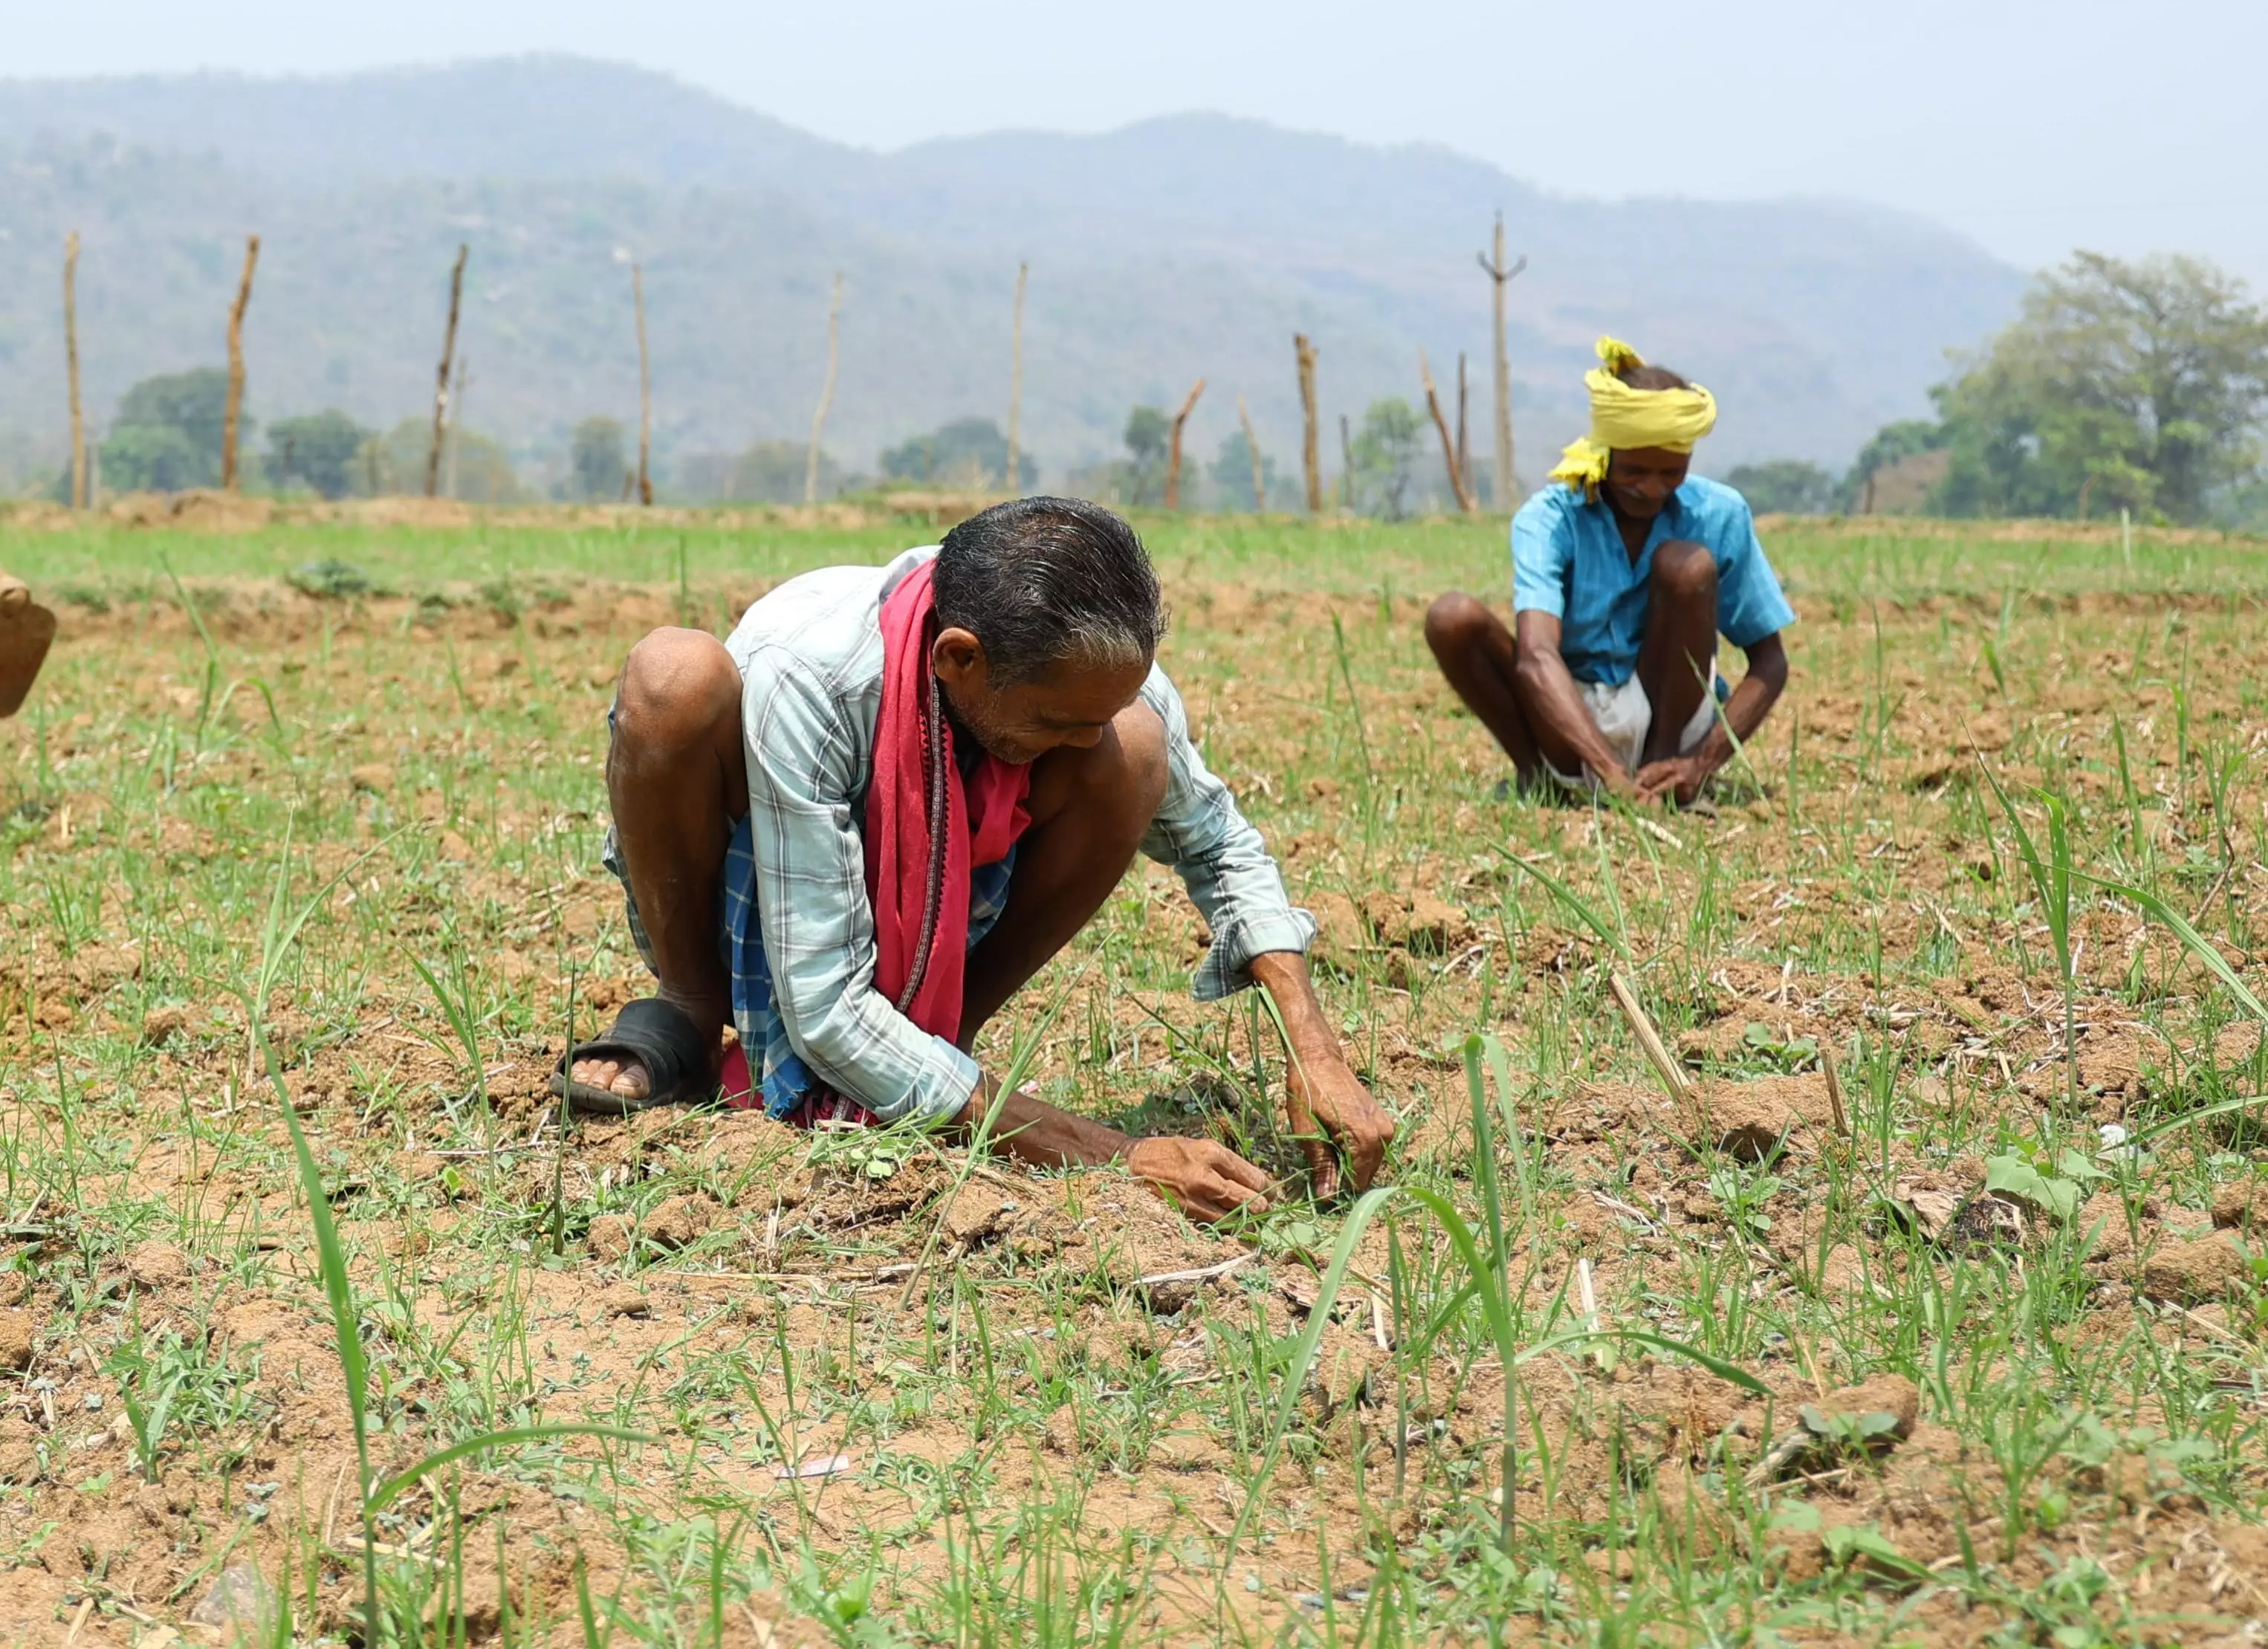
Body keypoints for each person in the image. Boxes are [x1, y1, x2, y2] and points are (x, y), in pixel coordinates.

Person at [554, 496, 1393, 1221]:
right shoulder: (812, 668)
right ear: (958, 658)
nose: (1083, 739)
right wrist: (1109, 1153)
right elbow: (822, 1007)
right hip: (750, 884)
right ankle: (690, 1014)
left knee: (1140, 750)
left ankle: (936, 1045)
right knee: (672, 676)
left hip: (943, 910)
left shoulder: (1088, 662)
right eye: (1057, 723)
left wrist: (1311, 1046)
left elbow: (1216, 837)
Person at [1424, 338, 1792, 806]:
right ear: (1606, 451)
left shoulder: (1720, 514)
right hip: (1570, 723)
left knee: (1687, 565)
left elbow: (1770, 662)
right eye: (1635, 470)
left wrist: (1701, 762)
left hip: (1674, 719)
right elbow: (1537, 656)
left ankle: (1661, 774)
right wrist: (1608, 771)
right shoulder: (1551, 518)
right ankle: (1542, 778)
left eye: (1671, 472)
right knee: (1452, 616)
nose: (1653, 488)